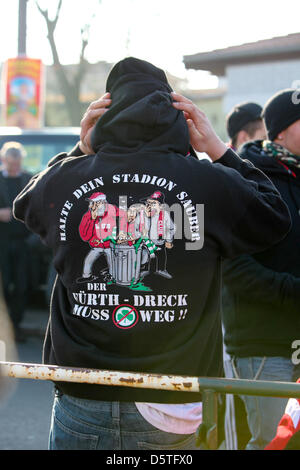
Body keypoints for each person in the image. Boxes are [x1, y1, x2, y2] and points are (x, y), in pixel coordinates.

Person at [13, 58, 291, 451]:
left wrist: (81, 147)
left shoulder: (66, 178)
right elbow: (275, 216)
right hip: (172, 399)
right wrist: (216, 148)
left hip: (84, 396)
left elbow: (27, 203)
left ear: (104, 114)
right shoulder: (207, 180)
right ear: (179, 116)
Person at [222, 88, 300, 450]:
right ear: (280, 131)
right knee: (273, 442)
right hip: (264, 344)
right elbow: (231, 266)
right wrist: (291, 290)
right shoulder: (248, 177)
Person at [0, 142, 32, 342]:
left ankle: (16, 326)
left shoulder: (29, 179)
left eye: (18, 164)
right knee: (3, 286)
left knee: (22, 286)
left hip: (24, 242)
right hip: (1, 242)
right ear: (4, 161)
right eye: (11, 164)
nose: (15, 168)